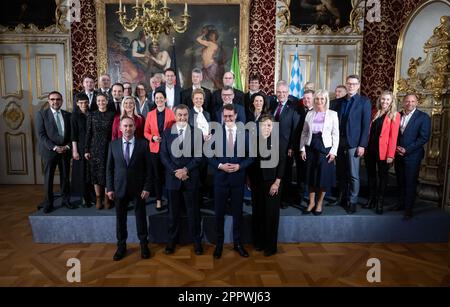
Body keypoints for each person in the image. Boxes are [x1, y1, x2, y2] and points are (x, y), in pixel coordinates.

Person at [208, 104, 254, 259]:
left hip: (237, 180)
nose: (227, 119)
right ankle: (219, 245)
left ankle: (238, 244)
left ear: (235, 116)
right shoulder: (216, 133)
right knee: (219, 214)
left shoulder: (244, 133)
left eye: (230, 116)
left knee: (237, 214)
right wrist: (220, 165)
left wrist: (240, 166)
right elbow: (208, 154)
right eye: (225, 116)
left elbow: (251, 156)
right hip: (220, 180)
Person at [106, 116, 152, 261]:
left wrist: (146, 187)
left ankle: (144, 245)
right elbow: (109, 169)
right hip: (119, 188)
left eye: (131, 126)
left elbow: (149, 170)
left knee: (141, 218)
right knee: (120, 219)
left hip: (139, 189)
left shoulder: (143, 144)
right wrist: (110, 188)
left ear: (135, 127)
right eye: (125, 126)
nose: (128, 129)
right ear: (120, 128)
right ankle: (121, 246)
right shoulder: (113, 145)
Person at [160, 104, 203, 255]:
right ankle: (171, 242)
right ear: (175, 116)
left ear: (188, 116)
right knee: (173, 214)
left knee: (193, 213)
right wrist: (175, 171)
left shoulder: (196, 132)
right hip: (173, 180)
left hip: (190, 178)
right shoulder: (166, 133)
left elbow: (198, 157)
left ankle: (197, 242)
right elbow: (163, 156)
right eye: (180, 115)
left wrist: (185, 170)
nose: (182, 118)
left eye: (185, 115)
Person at [330, 75, 371, 214]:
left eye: (354, 84)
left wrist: (362, 145)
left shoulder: (364, 102)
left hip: (354, 143)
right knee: (340, 173)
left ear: (358, 85)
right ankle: (341, 198)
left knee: (353, 175)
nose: (351, 86)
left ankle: (352, 201)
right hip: (339, 142)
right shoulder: (338, 102)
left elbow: (366, 126)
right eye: (349, 83)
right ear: (346, 85)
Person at [248, 115, 286, 256]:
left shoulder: (278, 141)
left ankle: (271, 247)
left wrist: (277, 182)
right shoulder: (255, 141)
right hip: (257, 182)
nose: (266, 127)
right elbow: (251, 162)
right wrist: (248, 179)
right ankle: (259, 242)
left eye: (269, 125)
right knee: (258, 212)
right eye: (264, 125)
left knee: (271, 215)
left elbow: (282, 163)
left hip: (272, 183)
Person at [300, 89, 339, 215]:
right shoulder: (310, 113)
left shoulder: (333, 114)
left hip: (325, 148)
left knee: (323, 177)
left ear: (326, 100)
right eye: (317, 99)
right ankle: (311, 202)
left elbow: (335, 134)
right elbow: (304, 132)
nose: (319, 101)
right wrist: (302, 149)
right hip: (311, 147)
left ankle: (319, 203)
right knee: (311, 176)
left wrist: (334, 151)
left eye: (322, 99)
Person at [35, 91, 75, 213]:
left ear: (61, 101)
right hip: (50, 151)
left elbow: (72, 134)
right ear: (49, 101)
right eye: (52, 99)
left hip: (65, 151)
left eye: (58, 99)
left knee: (65, 177)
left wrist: (67, 147)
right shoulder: (42, 114)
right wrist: (54, 147)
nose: (55, 101)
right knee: (49, 178)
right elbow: (41, 135)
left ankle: (66, 200)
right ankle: (48, 203)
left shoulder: (68, 115)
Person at [394, 93, 431, 220]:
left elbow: (424, 137)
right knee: (400, 181)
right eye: (407, 101)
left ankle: (408, 209)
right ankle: (401, 204)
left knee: (410, 182)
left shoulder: (423, 117)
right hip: (398, 154)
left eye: (413, 101)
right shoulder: (398, 115)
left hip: (413, 155)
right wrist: (396, 148)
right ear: (403, 102)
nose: (410, 103)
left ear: (417, 102)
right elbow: (394, 134)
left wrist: (407, 149)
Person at [362, 91, 400, 215]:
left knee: (383, 177)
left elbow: (393, 137)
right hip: (370, 150)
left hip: (384, 152)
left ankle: (380, 202)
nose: (385, 102)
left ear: (391, 101)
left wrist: (391, 155)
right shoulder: (374, 112)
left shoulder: (395, 115)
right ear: (380, 100)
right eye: (383, 99)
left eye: (387, 100)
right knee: (371, 176)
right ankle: (371, 199)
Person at [268, 80, 301, 207]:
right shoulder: (272, 106)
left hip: (286, 146)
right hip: (271, 146)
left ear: (288, 93)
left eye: (284, 92)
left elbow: (295, 129)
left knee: (285, 173)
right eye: (279, 92)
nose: (281, 94)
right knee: (274, 171)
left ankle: (284, 199)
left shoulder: (293, 108)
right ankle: (275, 196)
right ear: (276, 93)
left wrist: (292, 146)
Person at [144, 90, 176, 210]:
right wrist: (153, 137)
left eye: (161, 98)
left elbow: (175, 130)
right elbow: (145, 132)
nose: (159, 100)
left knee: (169, 174)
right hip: (155, 149)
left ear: (165, 99)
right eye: (157, 98)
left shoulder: (171, 113)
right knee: (157, 176)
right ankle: (158, 199)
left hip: (168, 149)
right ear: (154, 99)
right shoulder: (150, 114)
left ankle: (169, 199)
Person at [84, 93, 116, 210]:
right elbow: (88, 133)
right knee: (95, 174)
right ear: (96, 102)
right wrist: (86, 149)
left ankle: (107, 198)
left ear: (107, 101)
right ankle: (98, 198)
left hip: (109, 147)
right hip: (95, 148)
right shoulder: (91, 115)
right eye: (98, 101)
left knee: (108, 172)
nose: (101, 103)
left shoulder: (113, 115)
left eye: (103, 100)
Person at [188, 88, 211, 208]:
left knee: (203, 174)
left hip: (206, 149)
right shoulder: (189, 114)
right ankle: (194, 201)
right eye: (196, 98)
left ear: (203, 100)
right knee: (194, 174)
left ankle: (201, 200)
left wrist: (209, 136)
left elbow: (209, 128)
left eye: (200, 98)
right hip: (193, 148)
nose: (198, 100)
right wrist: (201, 137)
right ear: (193, 100)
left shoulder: (207, 114)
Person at [71, 93, 94, 207]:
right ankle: (85, 198)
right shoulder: (74, 116)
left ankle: (92, 196)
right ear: (77, 104)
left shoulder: (91, 114)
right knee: (82, 173)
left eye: (85, 102)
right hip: (80, 147)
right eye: (81, 103)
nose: (84, 104)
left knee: (91, 172)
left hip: (92, 147)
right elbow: (73, 135)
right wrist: (74, 151)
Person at [196, 25, 224, 89]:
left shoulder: (211, 44)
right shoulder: (209, 45)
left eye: (212, 35)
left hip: (211, 66)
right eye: (210, 35)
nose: (211, 37)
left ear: (215, 36)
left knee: (216, 83)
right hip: (205, 68)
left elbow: (198, 39)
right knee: (203, 82)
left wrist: (203, 33)